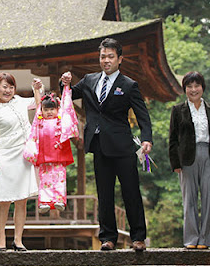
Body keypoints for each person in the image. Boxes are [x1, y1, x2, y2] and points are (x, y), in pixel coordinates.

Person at [61, 38, 152, 252]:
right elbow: (70, 94)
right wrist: (64, 83)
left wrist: (146, 138)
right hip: (98, 144)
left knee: (131, 192)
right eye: (103, 56)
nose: (106, 60)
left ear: (120, 59)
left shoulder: (129, 85)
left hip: (123, 147)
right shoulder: (89, 80)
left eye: (111, 56)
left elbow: (143, 116)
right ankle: (107, 238)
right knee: (104, 193)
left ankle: (138, 238)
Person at [0, 72, 39, 251]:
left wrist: (37, 88)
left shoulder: (20, 101)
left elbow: (38, 104)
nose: (8, 90)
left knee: (22, 199)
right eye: (4, 87)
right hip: (5, 156)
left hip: (24, 154)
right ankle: (0, 237)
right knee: (4, 199)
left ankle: (18, 239)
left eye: (11, 87)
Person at [168, 71, 210, 249]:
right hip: (186, 158)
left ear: (202, 87)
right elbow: (172, 139)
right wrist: (175, 164)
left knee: (209, 198)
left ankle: (205, 239)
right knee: (189, 200)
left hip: (209, 156)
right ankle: (191, 239)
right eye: (189, 86)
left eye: (197, 86)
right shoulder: (178, 110)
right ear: (185, 89)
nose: (193, 89)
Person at [23, 83, 79, 214]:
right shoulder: (40, 122)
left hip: (58, 155)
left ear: (58, 109)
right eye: (46, 109)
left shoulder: (61, 120)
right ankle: (45, 201)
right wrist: (37, 90)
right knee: (44, 179)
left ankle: (59, 200)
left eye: (52, 109)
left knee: (59, 177)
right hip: (44, 154)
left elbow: (67, 108)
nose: (49, 112)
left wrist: (66, 87)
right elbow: (38, 105)